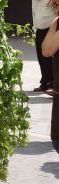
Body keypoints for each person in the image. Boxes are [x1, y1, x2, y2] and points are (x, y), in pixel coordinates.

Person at [42, 0, 59, 154]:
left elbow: (48, 49)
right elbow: (45, 49)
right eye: (55, 5)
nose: (57, 8)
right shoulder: (57, 22)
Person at [32, 0, 56, 94]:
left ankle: (53, 84)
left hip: (51, 27)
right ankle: (45, 83)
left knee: (50, 57)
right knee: (41, 57)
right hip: (39, 28)